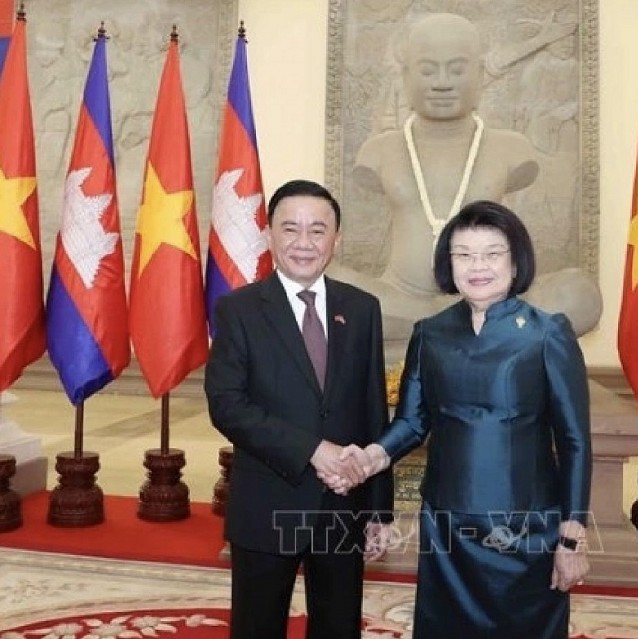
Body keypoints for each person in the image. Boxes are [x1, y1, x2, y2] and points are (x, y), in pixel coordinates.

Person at [327, 200, 592, 638]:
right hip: (449, 526)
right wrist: (372, 456)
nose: (478, 266)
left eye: (492, 253)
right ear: (448, 264)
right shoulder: (430, 333)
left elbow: (574, 440)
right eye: (464, 254)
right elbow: (412, 423)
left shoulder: (548, 333)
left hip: (526, 528)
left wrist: (571, 536)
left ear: (515, 261)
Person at [329, 12, 602, 358]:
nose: (442, 82)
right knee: (329, 286)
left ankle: (448, 325)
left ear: (479, 74)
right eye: (428, 70)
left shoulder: (511, 147)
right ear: (406, 76)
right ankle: (460, 326)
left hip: (492, 298)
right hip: (399, 296)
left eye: (457, 70)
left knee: (580, 294)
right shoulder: (379, 150)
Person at [204, 179, 394, 639]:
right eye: (290, 229)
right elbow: (227, 406)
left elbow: (373, 410)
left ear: (336, 238)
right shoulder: (238, 310)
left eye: (317, 230)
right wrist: (313, 450)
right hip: (268, 501)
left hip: (343, 504)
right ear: (269, 235)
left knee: (338, 626)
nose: (303, 243)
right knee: (257, 626)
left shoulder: (363, 308)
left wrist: (379, 510)